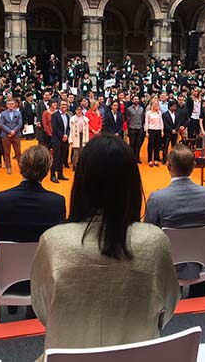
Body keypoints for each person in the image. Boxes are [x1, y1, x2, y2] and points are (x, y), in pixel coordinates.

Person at [31, 135, 179, 358]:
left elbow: (43, 310)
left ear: (81, 182)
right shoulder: (154, 241)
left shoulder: (53, 241)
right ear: (131, 183)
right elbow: (167, 307)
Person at [0, 145, 66, 318]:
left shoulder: (1, 199)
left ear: (21, 167)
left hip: (6, 275)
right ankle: (32, 305)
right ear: (46, 170)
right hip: (42, 276)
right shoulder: (56, 203)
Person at [145, 144, 205, 288]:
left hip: (166, 262)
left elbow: (149, 232)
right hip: (200, 260)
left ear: (169, 166)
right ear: (194, 165)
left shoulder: (158, 198)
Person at [0, 99, 23, 175]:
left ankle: (21, 167)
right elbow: (2, 124)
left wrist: (14, 131)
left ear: (14, 105)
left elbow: (20, 124)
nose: (11, 105)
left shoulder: (18, 113)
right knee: (6, 152)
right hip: (6, 135)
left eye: (12, 104)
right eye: (9, 104)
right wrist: (10, 131)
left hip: (16, 135)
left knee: (18, 152)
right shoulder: (3, 114)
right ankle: (8, 167)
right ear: (7, 105)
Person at [50, 100, 70, 183]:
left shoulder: (67, 116)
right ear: (59, 106)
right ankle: (53, 175)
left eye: (65, 104)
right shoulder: (55, 115)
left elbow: (68, 128)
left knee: (62, 157)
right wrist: (62, 136)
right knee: (56, 158)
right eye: (62, 104)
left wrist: (67, 135)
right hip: (57, 139)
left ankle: (60, 174)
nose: (64, 106)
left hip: (65, 140)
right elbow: (55, 128)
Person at [69, 106, 89, 170]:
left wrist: (87, 138)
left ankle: (81, 165)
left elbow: (87, 129)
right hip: (75, 136)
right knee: (75, 152)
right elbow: (70, 130)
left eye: (80, 110)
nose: (79, 111)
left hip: (83, 135)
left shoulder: (85, 119)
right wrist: (70, 139)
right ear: (75, 111)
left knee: (82, 152)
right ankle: (74, 165)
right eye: (78, 110)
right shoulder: (72, 119)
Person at [144, 100, 164, 167]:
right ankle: (150, 160)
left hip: (158, 130)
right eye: (155, 104)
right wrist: (146, 131)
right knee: (151, 145)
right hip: (151, 130)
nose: (156, 105)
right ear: (152, 105)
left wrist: (162, 130)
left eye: (157, 104)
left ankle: (156, 160)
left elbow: (161, 121)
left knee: (157, 145)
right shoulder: (148, 113)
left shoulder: (159, 113)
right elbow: (146, 122)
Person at [126, 95, 144, 163]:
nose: (136, 100)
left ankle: (137, 157)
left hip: (139, 128)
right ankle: (131, 157)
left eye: (137, 99)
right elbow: (127, 118)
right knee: (132, 143)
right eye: (135, 99)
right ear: (132, 100)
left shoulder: (141, 108)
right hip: (132, 128)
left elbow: (142, 118)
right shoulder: (129, 109)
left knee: (138, 143)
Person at [162, 100, 179, 164]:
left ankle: (173, 159)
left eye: (175, 106)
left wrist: (176, 130)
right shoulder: (165, 114)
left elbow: (178, 123)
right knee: (165, 146)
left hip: (175, 133)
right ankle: (164, 159)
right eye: (173, 106)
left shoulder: (177, 114)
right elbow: (165, 124)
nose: (175, 108)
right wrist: (171, 130)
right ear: (169, 107)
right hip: (167, 133)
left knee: (174, 146)